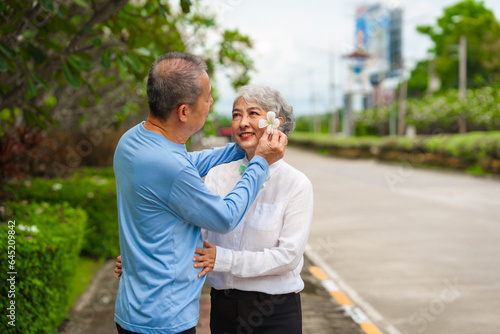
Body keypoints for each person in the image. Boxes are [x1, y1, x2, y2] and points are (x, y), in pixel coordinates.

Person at [113, 52, 287, 334]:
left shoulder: (132, 140)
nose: (211, 103)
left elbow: (186, 164)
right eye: (207, 98)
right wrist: (261, 163)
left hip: (132, 309)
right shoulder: (171, 168)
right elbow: (224, 216)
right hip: (165, 319)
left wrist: (241, 146)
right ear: (183, 111)